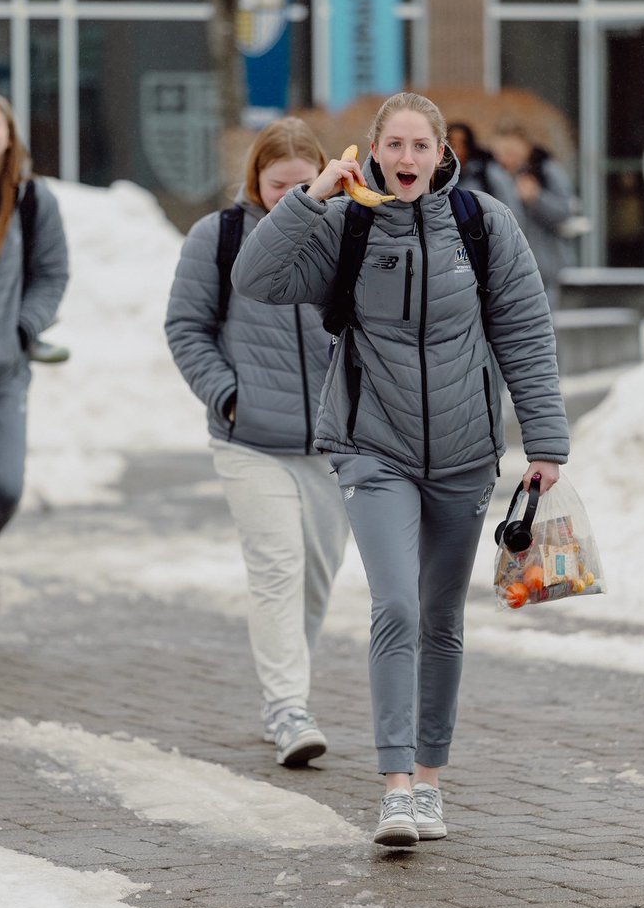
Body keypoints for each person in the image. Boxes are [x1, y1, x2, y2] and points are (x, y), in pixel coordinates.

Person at [234, 92, 569, 847]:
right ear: (374, 151)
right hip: (371, 448)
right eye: (396, 146)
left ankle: (429, 783)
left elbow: (525, 334)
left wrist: (545, 442)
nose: (408, 159)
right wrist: (310, 199)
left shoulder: (483, 226)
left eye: (422, 146)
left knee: (443, 619)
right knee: (397, 607)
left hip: (463, 453)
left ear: (442, 152)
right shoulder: (346, 225)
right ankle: (392, 785)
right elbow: (254, 279)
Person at [165, 117, 349, 768]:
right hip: (250, 440)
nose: (290, 198)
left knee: (316, 581)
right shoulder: (217, 238)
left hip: (333, 445)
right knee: (276, 568)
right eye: (278, 186)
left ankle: (283, 690)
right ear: (256, 180)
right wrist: (230, 396)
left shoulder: (346, 233)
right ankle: (288, 708)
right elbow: (187, 328)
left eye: (305, 185)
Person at [0, 92, 69, 617]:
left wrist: (24, 328)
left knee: (7, 485)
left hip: (2, 372)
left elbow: (52, 274)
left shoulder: (33, 200)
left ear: (8, 136)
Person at [491, 121, 577, 310]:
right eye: (501, 153)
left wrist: (537, 198)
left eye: (510, 152)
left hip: (546, 265)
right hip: (513, 266)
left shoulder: (546, 170)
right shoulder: (498, 177)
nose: (505, 159)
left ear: (525, 148)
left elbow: (564, 211)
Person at [447, 121, 517, 207]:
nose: (457, 151)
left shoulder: (488, 174)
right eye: (452, 144)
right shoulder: (437, 179)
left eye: (462, 144)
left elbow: (511, 210)